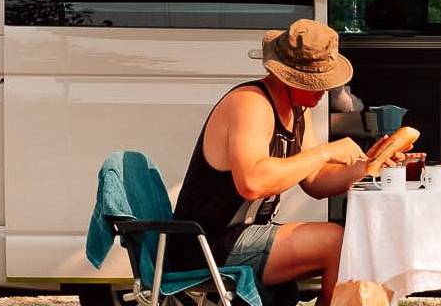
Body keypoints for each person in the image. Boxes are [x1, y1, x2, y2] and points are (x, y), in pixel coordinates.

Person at [167, 19, 401, 304]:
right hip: (204, 243)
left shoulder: (298, 110)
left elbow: (315, 181)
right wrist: (325, 152)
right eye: (315, 83)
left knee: (342, 240)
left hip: (239, 236)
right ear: (287, 76)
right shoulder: (250, 103)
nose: (323, 91)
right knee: (334, 242)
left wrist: (368, 165)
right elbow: (252, 182)